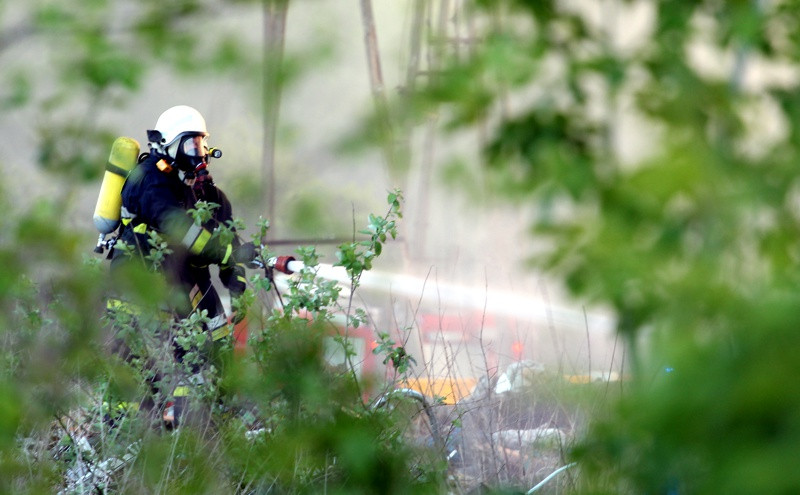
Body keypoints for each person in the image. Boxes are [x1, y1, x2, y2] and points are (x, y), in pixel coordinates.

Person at [109, 105, 255, 426]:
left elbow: (228, 239)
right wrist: (225, 253)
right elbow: (178, 228)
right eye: (190, 144)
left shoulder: (208, 196)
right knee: (134, 377)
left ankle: (197, 424)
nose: (198, 153)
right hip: (136, 287)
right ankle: (121, 438)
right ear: (168, 145)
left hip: (179, 287)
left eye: (201, 144)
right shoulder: (147, 180)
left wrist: (236, 283)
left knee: (208, 347)